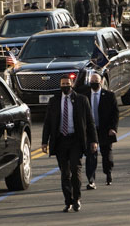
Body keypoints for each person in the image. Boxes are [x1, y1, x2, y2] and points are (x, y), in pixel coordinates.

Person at [41, 72, 92, 212]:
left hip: (75, 140)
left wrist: (93, 141)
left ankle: (77, 199)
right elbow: (48, 123)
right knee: (65, 173)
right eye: (63, 84)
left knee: (75, 170)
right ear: (60, 85)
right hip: (60, 141)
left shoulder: (81, 100)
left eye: (67, 84)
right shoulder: (54, 101)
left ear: (72, 84)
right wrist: (44, 142)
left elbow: (90, 122)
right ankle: (68, 201)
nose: (65, 87)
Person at [84, 70, 120, 188]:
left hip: (105, 129)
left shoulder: (109, 96)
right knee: (91, 155)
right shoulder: (84, 96)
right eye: (92, 81)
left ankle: (108, 173)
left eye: (96, 81)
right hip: (90, 131)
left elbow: (115, 113)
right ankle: (91, 180)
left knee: (106, 154)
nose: (94, 83)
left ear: (101, 82)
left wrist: (113, 128)